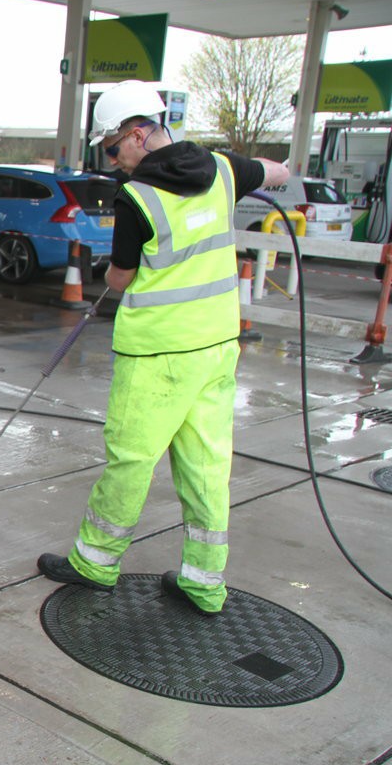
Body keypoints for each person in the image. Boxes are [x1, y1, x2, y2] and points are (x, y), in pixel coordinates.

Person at [37, 79, 290, 616]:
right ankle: (204, 580)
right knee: (206, 463)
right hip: (218, 346)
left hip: (157, 354)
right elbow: (278, 172)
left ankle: (96, 561)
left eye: (111, 149)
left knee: (131, 458)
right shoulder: (223, 168)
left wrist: (109, 268)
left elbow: (122, 279)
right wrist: (267, 171)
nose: (112, 162)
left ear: (136, 135)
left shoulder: (137, 196)